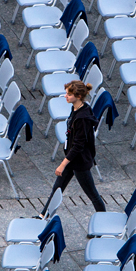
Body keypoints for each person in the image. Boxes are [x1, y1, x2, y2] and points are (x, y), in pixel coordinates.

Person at [52, 80, 106, 212]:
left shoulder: (82, 118)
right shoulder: (79, 107)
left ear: (79, 97)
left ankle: (103, 219)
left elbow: (78, 146)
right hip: (72, 158)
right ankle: (43, 215)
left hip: (79, 162)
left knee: (93, 195)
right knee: (57, 188)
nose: (65, 96)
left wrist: (63, 164)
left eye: (69, 95)